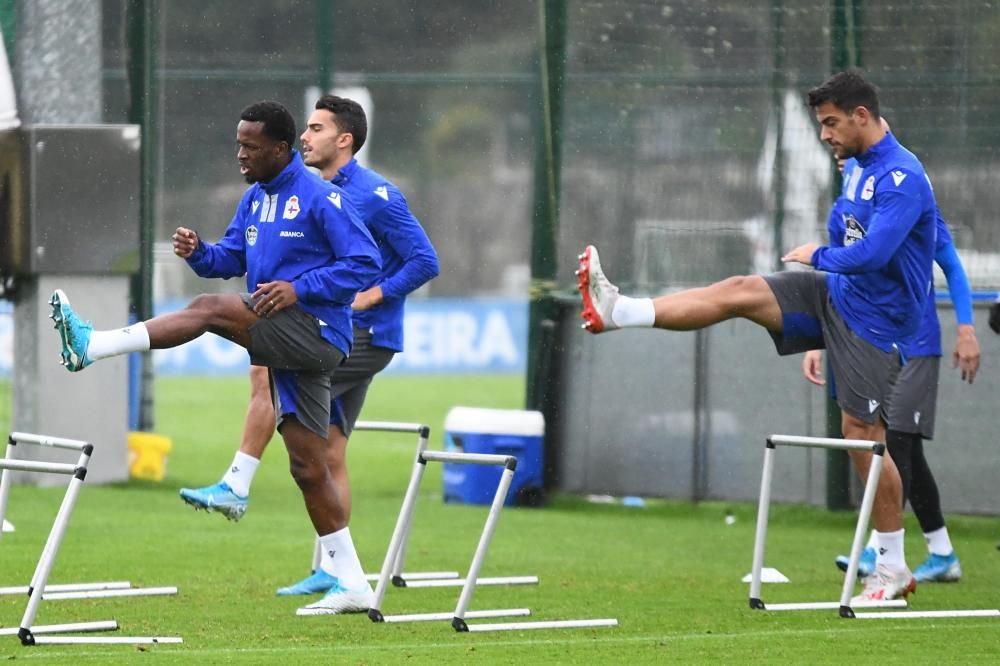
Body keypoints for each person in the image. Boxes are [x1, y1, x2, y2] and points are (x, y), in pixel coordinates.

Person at [577, 70, 937, 603]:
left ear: (862, 116)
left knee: (862, 437)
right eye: (821, 124)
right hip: (836, 299)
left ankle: (892, 568)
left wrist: (817, 256)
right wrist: (819, 332)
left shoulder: (903, 178)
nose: (824, 135)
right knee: (741, 289)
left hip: (878, 324)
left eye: (831, 123)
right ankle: (620, 310)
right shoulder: (855, 167)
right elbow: (847, 241)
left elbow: (874, 255)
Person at [50, 100, 383, 615]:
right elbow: (230, 258)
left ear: (280, 147)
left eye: (251, 146)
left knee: (208, 310)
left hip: (319, 332)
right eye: (238, 144)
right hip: (289, 341)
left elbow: (365, 263)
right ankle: (355, 583)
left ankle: (94, 346)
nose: (240, 154)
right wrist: (200, 252)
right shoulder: (254, 200)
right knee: (308, 467)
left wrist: (299, 289)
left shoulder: (320, 198)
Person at [178, 95, 440, 599]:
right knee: (329, 453)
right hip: (332, 326)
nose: (304, 136)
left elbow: (425, 260)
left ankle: (237, 484)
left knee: (270, 376)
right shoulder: (304, 191)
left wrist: (373, 294)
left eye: (316, 128)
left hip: (361, 334)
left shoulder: (375, 194)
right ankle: (335, 566)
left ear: (344, 139)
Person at [804, 142, 980, 584]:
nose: (844, 161)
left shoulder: (906, 203)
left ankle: (879, 550)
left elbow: (953, 268)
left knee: (892, 442)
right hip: (873, 342)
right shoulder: (852, 214)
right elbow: (841, 286)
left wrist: (965, 327)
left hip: (915, 343)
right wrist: (818, 338)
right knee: (898, 448)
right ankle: (939, 552)